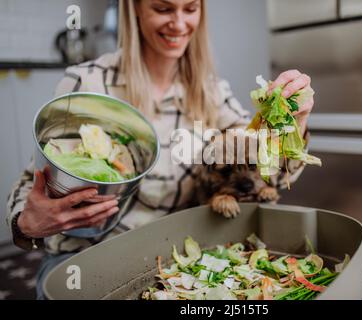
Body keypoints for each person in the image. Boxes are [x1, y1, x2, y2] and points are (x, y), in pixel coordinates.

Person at [5, 0, 314, 299]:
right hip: (87, 259)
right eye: (163, 8)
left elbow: (264, 165)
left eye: (190, 8)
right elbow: (34, 184)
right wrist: (26, 224)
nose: (179, 23)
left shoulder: (211, 92)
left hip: (171, 259)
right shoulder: (89, 81)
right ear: (135, 8)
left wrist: (291, 122)